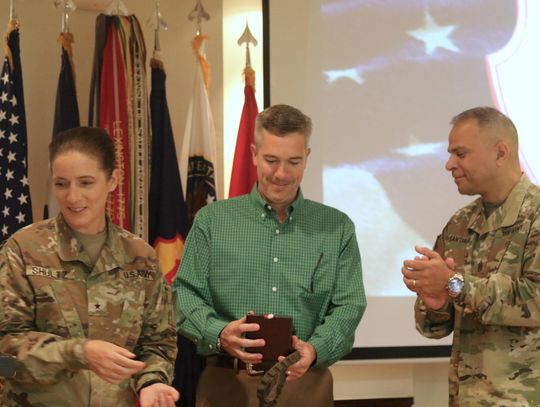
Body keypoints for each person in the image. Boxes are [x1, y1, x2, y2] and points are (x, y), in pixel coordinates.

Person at [173, 104, 366, 406]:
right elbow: (184, 293)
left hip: (306, 385)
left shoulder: (336, 228)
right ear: (253, 154)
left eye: (293, 162)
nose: (281, 174)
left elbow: (349, 304)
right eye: (271, 160)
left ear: (307, 158)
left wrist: (315, 349)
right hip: (226, 385)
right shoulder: (212, 222)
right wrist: (219, 332)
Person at [0, 127, 179, 406]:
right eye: (61, 183)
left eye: (85, 182)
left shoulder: (140, 257)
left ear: (113, 180)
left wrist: (152, 382)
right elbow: (4, 360)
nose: (72, 197)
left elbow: (157, 344)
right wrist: (78, 353)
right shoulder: (22, 250)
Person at [401, 107, 540, 406]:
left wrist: (454, 284)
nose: (449, 164)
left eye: (460, 154)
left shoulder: (536, 215)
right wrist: (435, 302)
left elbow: (536, 300)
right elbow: (434, 328)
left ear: (500, 152)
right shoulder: (460, 223)